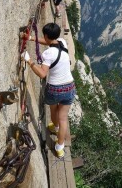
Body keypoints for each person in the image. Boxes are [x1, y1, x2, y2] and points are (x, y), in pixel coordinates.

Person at [21, 23, 75, 158]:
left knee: (53, 110)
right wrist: (32, 38)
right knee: (63, 119)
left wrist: (29, 61)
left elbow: (42, 74)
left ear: (46, 35)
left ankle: (54, 127)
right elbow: (48, 41)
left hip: (55, 88)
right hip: (69, 87)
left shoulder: (48, 54)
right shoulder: (62, 42)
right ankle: (60, 147)